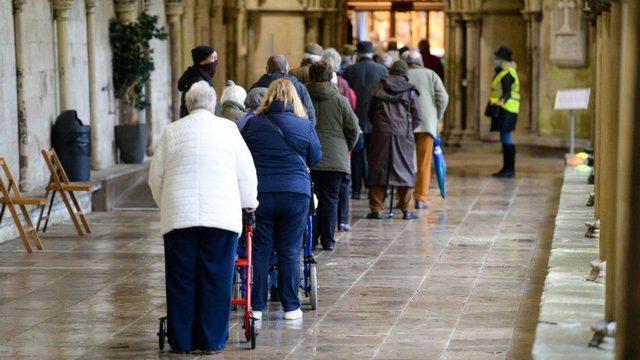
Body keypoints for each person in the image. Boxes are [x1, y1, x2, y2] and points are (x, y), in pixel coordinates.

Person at [148, 81, 258, 354]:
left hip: (179, 217)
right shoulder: (229, 129)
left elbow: (155, 178)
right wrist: (249, 204)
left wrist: (168, 204)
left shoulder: (171, 131)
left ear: (186, 106)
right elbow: (246, 174)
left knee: (180, 278)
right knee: (217, 278)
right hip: (221, 216)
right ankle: (211, 340)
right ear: (214, 106)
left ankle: (182, 341)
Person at [241, 79, 322, 321]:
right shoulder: (304, 125)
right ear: (294, 99)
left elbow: (242, 155)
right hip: (296, 194)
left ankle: (256, 307)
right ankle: (291, 307)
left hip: (262, 192)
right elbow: (315, 157)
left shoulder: (252, 124)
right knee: (289, 249)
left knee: (261, 249)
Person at [306, 61, 360, 250]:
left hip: (309, 156)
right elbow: (353, 128)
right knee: (330, 198)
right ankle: (328, 240)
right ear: (331, 76)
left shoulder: (304, 99)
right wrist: (344, 148)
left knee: (311, 198)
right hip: (335, 159)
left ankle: (310, 240)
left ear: (310, 76)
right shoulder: (341, 100)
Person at [367, 60, 421, 220]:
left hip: (381, 134)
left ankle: (376, 209)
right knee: (405, 167)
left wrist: (380, 126)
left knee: (378, 168)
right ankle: (407, 209)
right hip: (403, 134)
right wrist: (407, 129)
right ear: (405, 73)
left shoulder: (377, 88)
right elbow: (417, 116)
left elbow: (370, 113)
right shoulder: (410, 91)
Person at [403, 50, 449, 210]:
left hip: (406, 124)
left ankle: (404, 199)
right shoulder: (431, 74)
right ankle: (421, 198)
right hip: (427, 124)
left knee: (405, 162)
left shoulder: (404, 74)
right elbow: (443, 97)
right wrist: (437, 116)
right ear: (420, 61)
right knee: (423, 163)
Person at [344, 41, 389, 199]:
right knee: (375, 156)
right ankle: (373, 188)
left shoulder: (349, 70)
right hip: (376, 119)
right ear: (372, 53)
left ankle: (356, 190)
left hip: (355, 118)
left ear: (357, 54)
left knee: (357, 155)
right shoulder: (382, 70)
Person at [322, 48, 358, 231]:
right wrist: (347, 146)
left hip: (319, 149)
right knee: (340, 187)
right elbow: (352, 122)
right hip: (339, 148)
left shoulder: (306, 91)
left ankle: (320, 232)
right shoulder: (344, 88)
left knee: (320, 191)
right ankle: (341, 221)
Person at [251, 54, 316, 125]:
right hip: (294, 129)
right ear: (287, 69)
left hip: (263, 129)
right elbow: (311, 116)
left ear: (267, 69)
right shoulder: (299, 87)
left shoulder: (256, 87)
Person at [487, 45, 520, 178]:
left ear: (503, 59)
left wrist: (500, 102)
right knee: (504, 137)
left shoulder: (508, 73)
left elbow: (507, 92)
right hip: (506, 108)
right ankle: (506, 168)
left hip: (507, 109)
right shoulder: (504, 71)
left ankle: (509, 170)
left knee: (506, 137)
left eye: (497, 58)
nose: (495, 59)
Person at [178, 45, 218, 118]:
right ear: (202, 61)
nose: (216, 62)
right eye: (213, 58)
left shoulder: (194, 76)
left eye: (216, 58)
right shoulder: (198, 82)